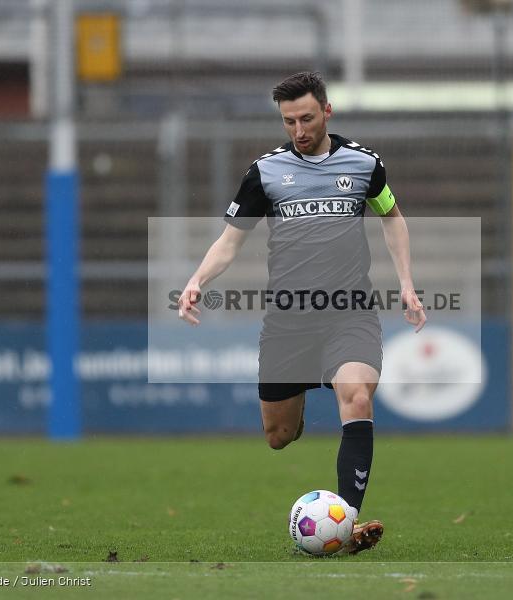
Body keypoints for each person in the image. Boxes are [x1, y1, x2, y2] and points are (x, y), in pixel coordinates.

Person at [178, 72, 425, 554]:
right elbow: (231, 241)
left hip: (349, 311)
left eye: (307, 118)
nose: (298, 129)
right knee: (279, 436)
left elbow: (392, 219)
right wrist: (197, 281)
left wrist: (407, 284)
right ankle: (301, 406)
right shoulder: (265, 173)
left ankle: (346, 521)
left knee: (355, 396)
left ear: (327, 112)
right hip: (288, 321)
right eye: (289, 121)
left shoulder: (363, 163)